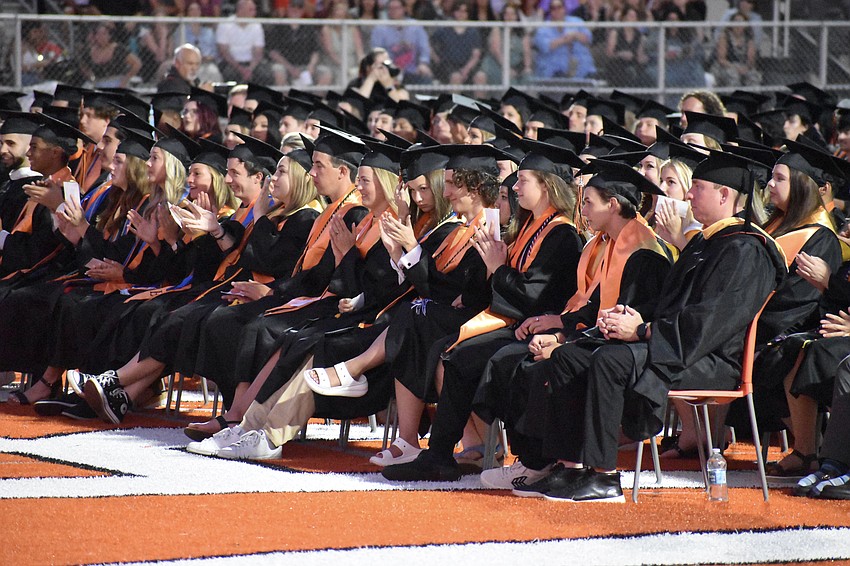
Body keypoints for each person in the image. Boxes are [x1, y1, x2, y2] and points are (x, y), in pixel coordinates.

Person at [484, 151, 787, 502]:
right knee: (570, 356)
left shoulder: (746, 248)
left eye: (698, 187)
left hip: (709, 359)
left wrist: (643, 331)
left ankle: (604, 476)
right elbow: (667, 305)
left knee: (609, 360)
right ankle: (570, 467)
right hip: (674, 344)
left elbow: (710, 322)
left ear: (724, 195)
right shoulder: (707, 243)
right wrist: (626, 320)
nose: (688, 195)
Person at [381, 139, 584, 479]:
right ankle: (440, 455)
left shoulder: (562, 235)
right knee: (455, 353)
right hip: (517, 323)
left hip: (540, 328)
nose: (515, 188)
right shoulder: (529, 228)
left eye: (523, 181)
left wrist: (497, 268)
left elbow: (532, 295)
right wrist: (487, 271)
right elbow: (487, 290)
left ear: (547, 187)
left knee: (465, 355)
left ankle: (523, 458)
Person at [471, 159, 672, 490]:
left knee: (541, 366)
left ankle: (541, 463)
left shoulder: (643, 253)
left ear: (613, 204)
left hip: (630, 352)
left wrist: (564, 342)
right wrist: (561, 330)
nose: (583, 210)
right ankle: (544, 463)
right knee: (523, 360)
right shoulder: (611, 244)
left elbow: (623, 321)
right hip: (601, 340)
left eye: (589, 202)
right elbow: (595, 307)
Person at [371, 0, 433, 84]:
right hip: (389, 70)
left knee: (426, 79)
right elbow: (377, 52)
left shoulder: (415, 26)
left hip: (413, 70)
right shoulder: (380, 29)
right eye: (390, 8)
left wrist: (423, 63)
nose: (393, 11)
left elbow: (424, 48)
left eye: (396, 8)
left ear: (404, 9)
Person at [533, 1, 596, 80]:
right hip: (554, 71)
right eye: (553, 8)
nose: (556, 10)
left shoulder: (577, 21)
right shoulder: (543, 28)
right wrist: (564, 39)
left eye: (559, 7)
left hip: (580, 68)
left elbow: (588, 39)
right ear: (550, 11)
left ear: (564, 8)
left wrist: (575, 35)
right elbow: (545, 46)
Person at [267, 0, 321, 87]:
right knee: (278, 71)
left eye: (299, 7)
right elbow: (273, 52)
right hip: (284, 65)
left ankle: (314, 96)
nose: (296, 10)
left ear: (303, 10)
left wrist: (311, 67)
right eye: (293, 7)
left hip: (305, 66)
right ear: (288, 8)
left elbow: (316, 51)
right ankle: (284, 96)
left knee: (325, 73)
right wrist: (290, 68)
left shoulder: (308, 27)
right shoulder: (278, 26)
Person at [430, 1, 483, 86]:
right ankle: (454, 95)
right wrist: (437, 60)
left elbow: (476, 55)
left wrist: (466, 69)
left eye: (464, 11)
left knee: (481, 76)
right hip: (448, 66)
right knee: (456, 77)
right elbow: (430, 44)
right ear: (453, 12)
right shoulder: (444, 30)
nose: (461, 14)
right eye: (458, 10)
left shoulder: (473, 32)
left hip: (468, 65)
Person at [80, 22, 142, 89]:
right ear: (95, 36)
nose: (101, 37)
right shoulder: (90, 51)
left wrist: (125, 80)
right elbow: (83, 65)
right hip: (99, 83)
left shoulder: (118, 49)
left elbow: (137, 63)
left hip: (118, 83)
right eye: (98, 34)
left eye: (104, 34)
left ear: (109, 35)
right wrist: (91, 78)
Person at [216, 0, 266, 83]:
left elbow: (258, 51)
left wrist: (250, 69)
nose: (254, 13)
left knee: (264, 74)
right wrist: (240, 69)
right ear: (241, 9)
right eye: (251, 10)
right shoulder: (225, 24)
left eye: (254, 10)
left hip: (251, 63)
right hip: (231, 63)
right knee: (229, 74)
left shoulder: (257, 25)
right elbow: (224, 51)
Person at [712, 11, 761, 88]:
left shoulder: (749, 39)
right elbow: (721, 59)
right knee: (733, 75)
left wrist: (746, 68)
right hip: (726, 66)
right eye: (736, 21)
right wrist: (736, 68)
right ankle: (734, 95)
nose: (738, 25)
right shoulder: (724, 37)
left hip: (743, 66)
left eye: (741, 22)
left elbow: (751, 60)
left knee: (753, 76)